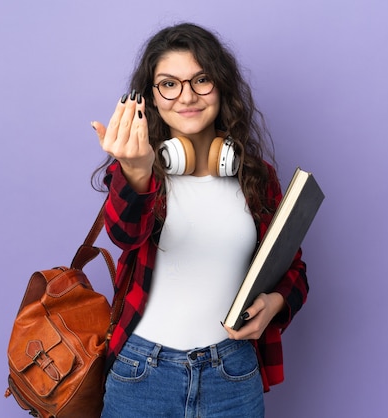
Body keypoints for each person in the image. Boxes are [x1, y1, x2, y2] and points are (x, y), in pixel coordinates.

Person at [91, 22, 308, 418]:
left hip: (233, 373)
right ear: (151, 98)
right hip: (142, 374)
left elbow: (293, 268)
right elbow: (123, 234)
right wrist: (136, 171)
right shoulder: (139, 171)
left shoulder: (256, 176)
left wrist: (274, 303)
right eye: (169, 84)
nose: (187, 96)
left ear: (221, 87)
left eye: (201, 80)